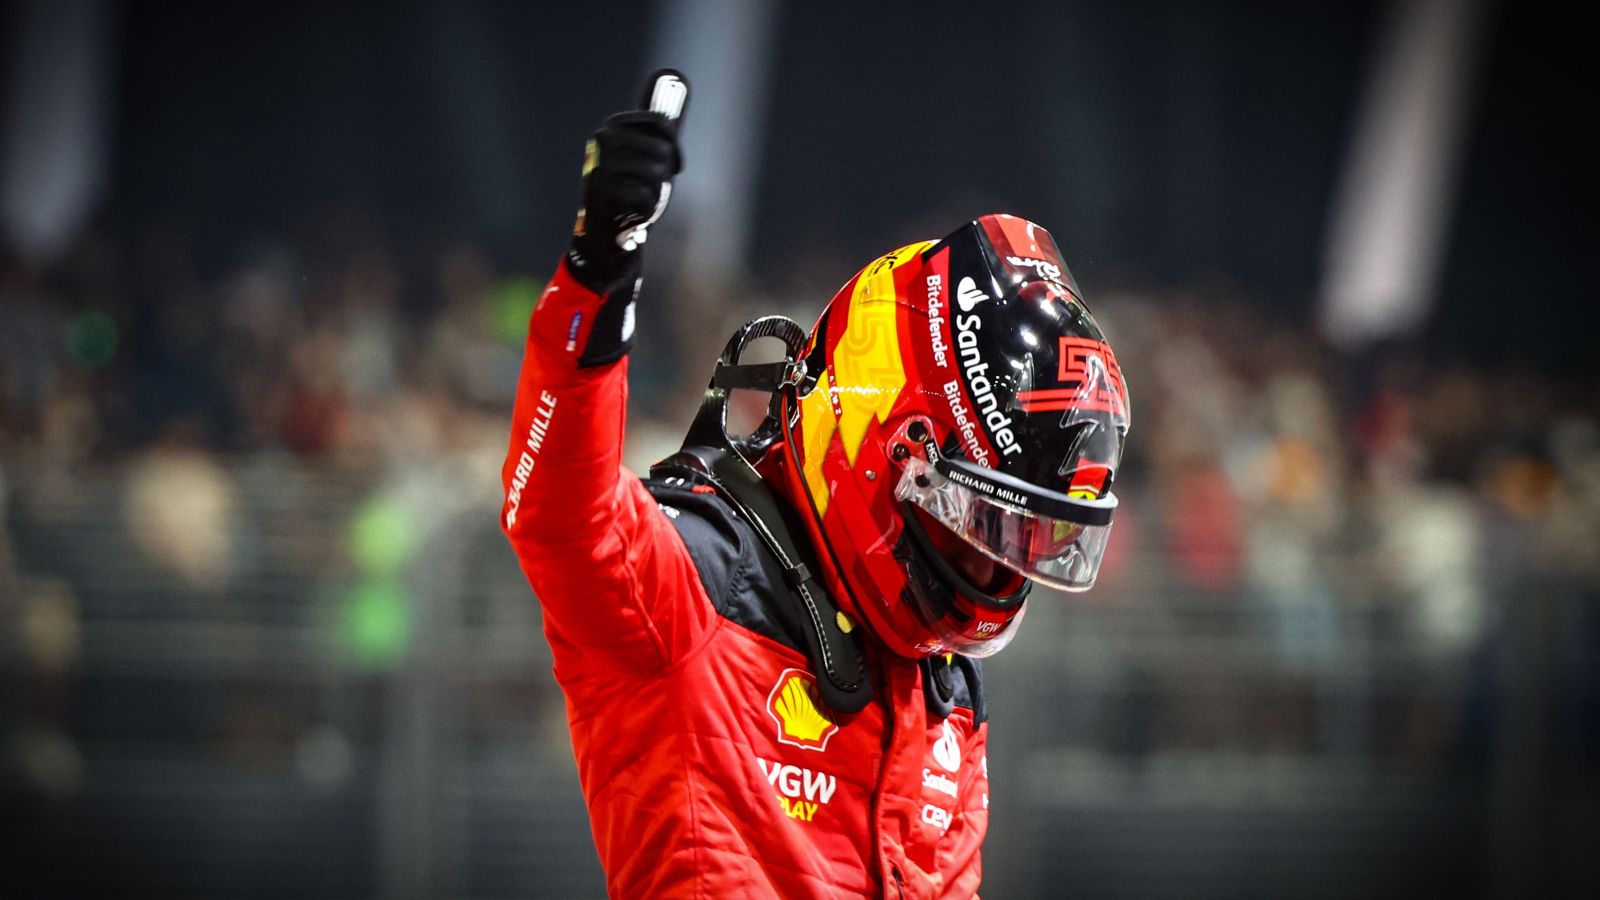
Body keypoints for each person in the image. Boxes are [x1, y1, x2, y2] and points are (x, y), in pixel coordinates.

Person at [501, 70, 1131, 899]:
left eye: (1021, 545)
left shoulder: (948, 688)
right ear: (888, 447)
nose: (999, 575)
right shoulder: (694, 581)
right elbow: (553, 514)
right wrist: (599, 267)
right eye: (982, 529)